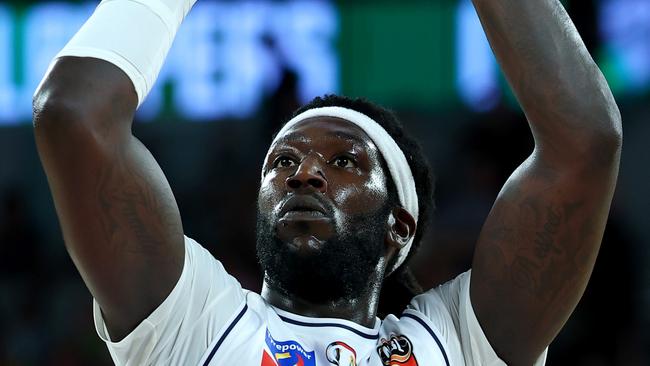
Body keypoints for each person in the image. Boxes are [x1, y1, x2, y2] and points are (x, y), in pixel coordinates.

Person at [31, 0, 622, 365]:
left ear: (399, 227)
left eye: (345, 162)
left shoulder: (460, 342)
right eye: (281, 163)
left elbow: (585, 144)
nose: (305, 171)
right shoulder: (195, 320)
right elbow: (74, 115)